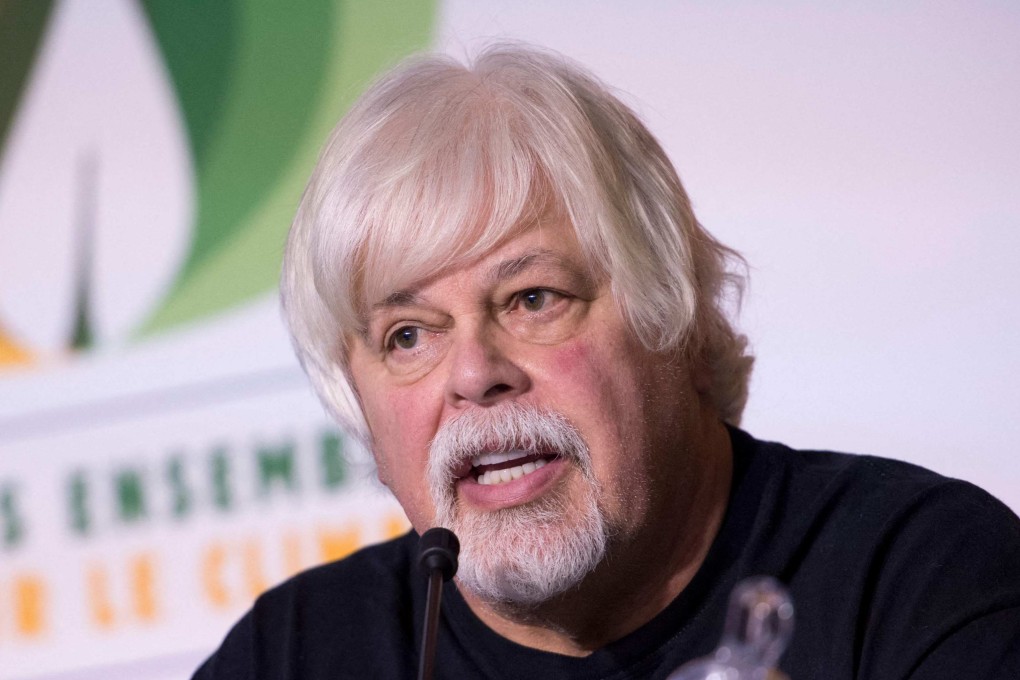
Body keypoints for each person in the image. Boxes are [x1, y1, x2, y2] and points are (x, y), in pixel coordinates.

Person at [193, 44, 1020, 679]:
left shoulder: (923, 578)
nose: (474, 373)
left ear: (675, 317)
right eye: (409, 335)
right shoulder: (295, 654)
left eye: (533, 299)